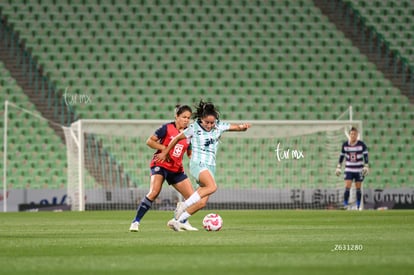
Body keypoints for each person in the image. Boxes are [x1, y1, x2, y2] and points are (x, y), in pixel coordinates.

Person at [156, 100, 251, 231]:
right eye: (207, 122)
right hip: (198, 163)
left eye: (212, 122)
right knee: (212, 186)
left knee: (202, 202)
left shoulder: (218, 126)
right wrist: (165, 151)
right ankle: (183, 205)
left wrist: (242, 127)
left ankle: (178, 220)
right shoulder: (194, 128)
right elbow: (177, 138)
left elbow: (234, 127)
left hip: (211, 166)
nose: (209, 125)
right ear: (201, 119)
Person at [129, 104, 200, 232]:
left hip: (176, 168)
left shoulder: (189, 132)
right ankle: (135, 222)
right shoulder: (166, 128)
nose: (186, 120)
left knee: (193, 198)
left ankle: (182, 221)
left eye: (188, 118)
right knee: (154, 192)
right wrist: (164, 150)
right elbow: (150, 141)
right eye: (184, 117)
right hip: (160, 164)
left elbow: (189, 152)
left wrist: (196, 160)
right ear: (176, 116)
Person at [335, 127, 369, 210]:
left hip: (359, 169)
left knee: (358, 188)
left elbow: (365, 155)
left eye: (354, 134)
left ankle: (358, 206)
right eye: (351, 134)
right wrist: (339, 166)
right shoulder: (345, 145)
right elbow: (341, 156)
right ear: (349, 135)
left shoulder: (362, 145)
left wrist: (366, 165)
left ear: (357, 135)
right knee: (347, 186)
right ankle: (345, 204)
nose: (353, 135)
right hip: (349, 169)